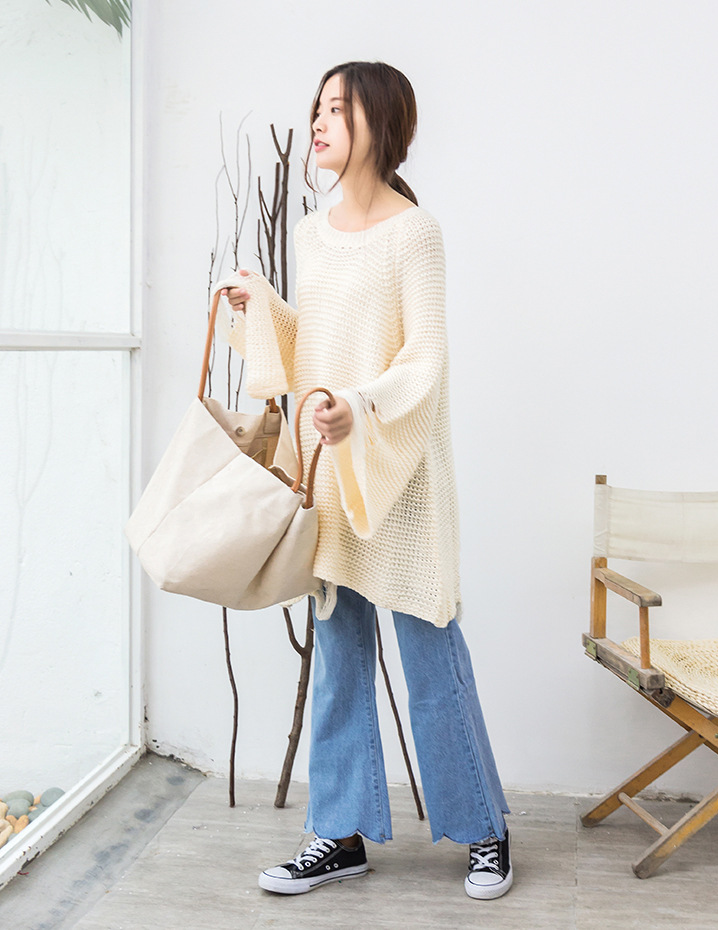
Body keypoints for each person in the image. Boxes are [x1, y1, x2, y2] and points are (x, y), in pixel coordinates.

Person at [219, 60, 512, 901]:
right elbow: (315, 342)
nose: (317, 123)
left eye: (335, 109)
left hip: (398, 473)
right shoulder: (311, 233)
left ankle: (484, 831)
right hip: (328, 473)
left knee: (431, 656)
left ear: (377, 123)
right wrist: (261, 308)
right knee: (340, 659)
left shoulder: (416, 233)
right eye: (315, 108)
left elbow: (425, 357)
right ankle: (338, 833)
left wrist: (358, 406)